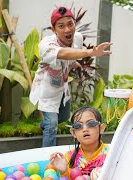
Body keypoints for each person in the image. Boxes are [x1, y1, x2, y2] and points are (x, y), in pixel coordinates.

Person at [29, 6, 112, 147]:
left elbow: (71, 55)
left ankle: (44, 124)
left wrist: (75, 65)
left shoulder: (78, 38)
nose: (67, 30)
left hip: (62, 87)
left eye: (70, 24)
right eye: (61, 26)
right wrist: (90, 53)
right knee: (52, 125)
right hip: (47, 89)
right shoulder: (46, 44)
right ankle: (49, 157)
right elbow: (62, 53)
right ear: (53, 30)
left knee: (64, 117)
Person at [49, 106, 108, 178]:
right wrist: (63, 171)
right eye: (78, 126)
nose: (85, 129)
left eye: (91, 124)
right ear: (73, 133)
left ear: (101, 128)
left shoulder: (110, 154)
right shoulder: (69, 158)